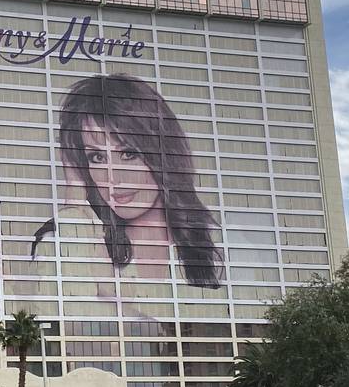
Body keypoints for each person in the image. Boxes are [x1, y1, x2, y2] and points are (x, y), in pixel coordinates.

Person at [34, 73, 224, 288]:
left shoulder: (215, 245)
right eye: (97, 157)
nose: (114, 178)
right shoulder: (60, 240)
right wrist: (75, 198)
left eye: (128, 153)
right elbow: (73, 305)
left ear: (162, 151)